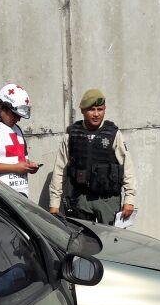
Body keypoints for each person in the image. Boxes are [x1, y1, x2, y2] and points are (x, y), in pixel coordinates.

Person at [48, 89, 136, 224]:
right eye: (91, 109)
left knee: (110, 240)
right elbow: (60, 170)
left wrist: (129, 200)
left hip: (107, 200)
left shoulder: (114, 134)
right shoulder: (71, 135)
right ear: (82, 110)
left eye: (100, 109)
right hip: (79, 199)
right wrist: (54, 204)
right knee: (82, 241)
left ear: (105, 109)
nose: (96, 114)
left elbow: (127, 168)